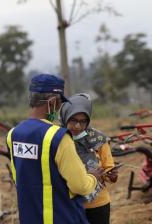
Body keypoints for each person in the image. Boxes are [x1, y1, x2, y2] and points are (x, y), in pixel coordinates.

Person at [6, 74, 102, 224]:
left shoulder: (13, 134)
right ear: (52, 102)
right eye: (59, 103)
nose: (58, 108)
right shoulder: (58, 137)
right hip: (61, 217)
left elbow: (19, 178)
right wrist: (93, 177)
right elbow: (79, 186)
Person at [59, 93, 118, 224]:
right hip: (68, 204)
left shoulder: (99, 139)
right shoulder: (57, 139)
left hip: (98, 204)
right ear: (65, 116)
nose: (78, 126)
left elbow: (109, 168)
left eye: (83, 121)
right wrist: (85, 176)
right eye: (73, 120)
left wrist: (112, 175)